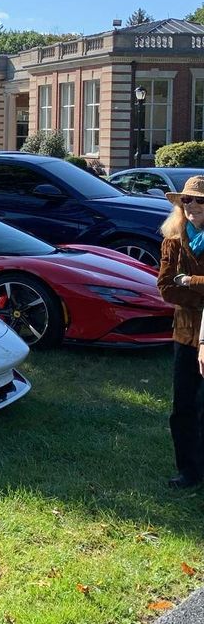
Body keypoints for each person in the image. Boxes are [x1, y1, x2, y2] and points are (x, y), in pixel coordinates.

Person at [156, 176, 204, 488]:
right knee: (183, 406)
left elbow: (179, 285)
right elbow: (166, 288)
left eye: (200, 201)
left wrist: (189, 281)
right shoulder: (172, 241)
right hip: (186, 334)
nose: (192, 206)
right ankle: (188, 471)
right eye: (186, 200)